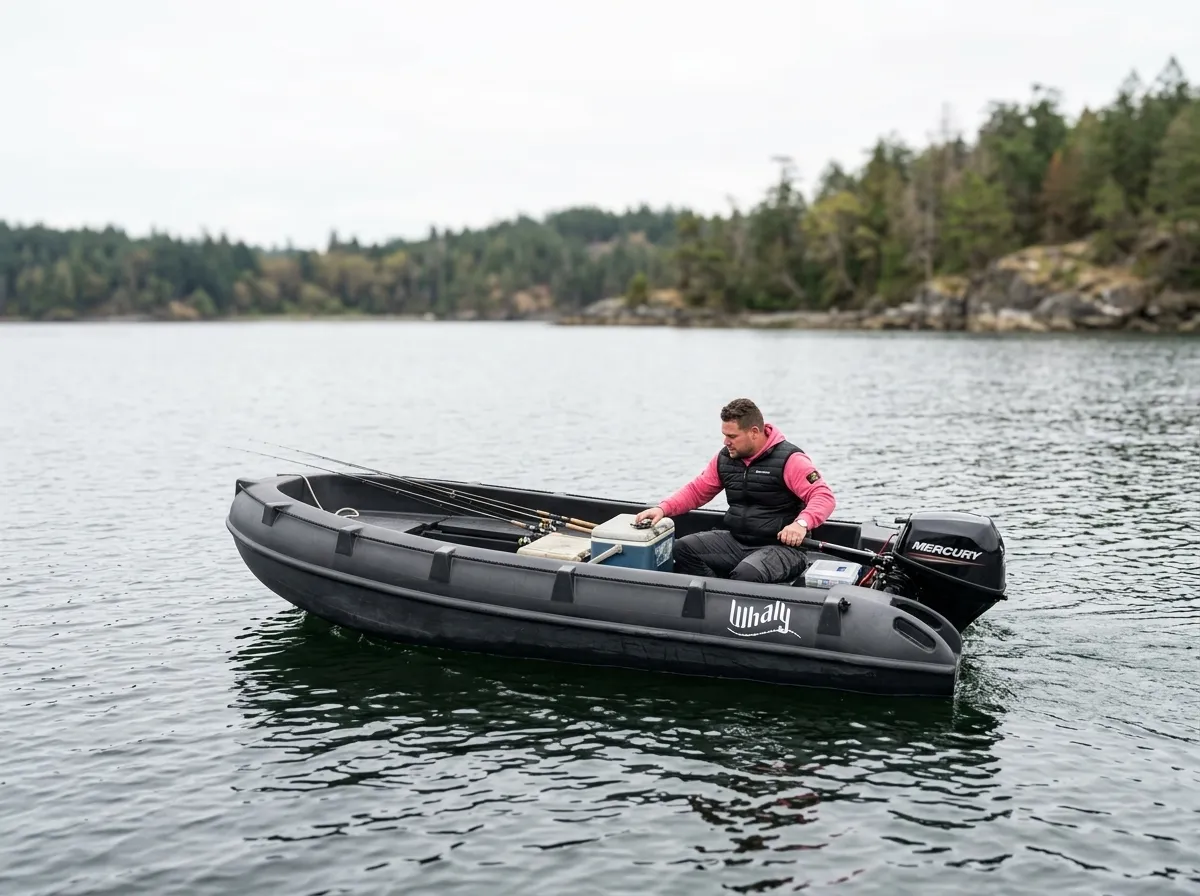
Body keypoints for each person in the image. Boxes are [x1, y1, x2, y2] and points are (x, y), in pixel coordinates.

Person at [634, 398, 836, 584]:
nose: (725, 442)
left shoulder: (790, 460)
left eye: (732, 436)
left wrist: (801, 524)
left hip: (783, 549)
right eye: (724, 435)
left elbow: (823, 496)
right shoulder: (725, 458)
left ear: (754, 432)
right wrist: (663, 509)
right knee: (682, 549)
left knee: (746, 574)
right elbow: (697, 491)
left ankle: (731, 592)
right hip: (738, 541)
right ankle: (713, 596)